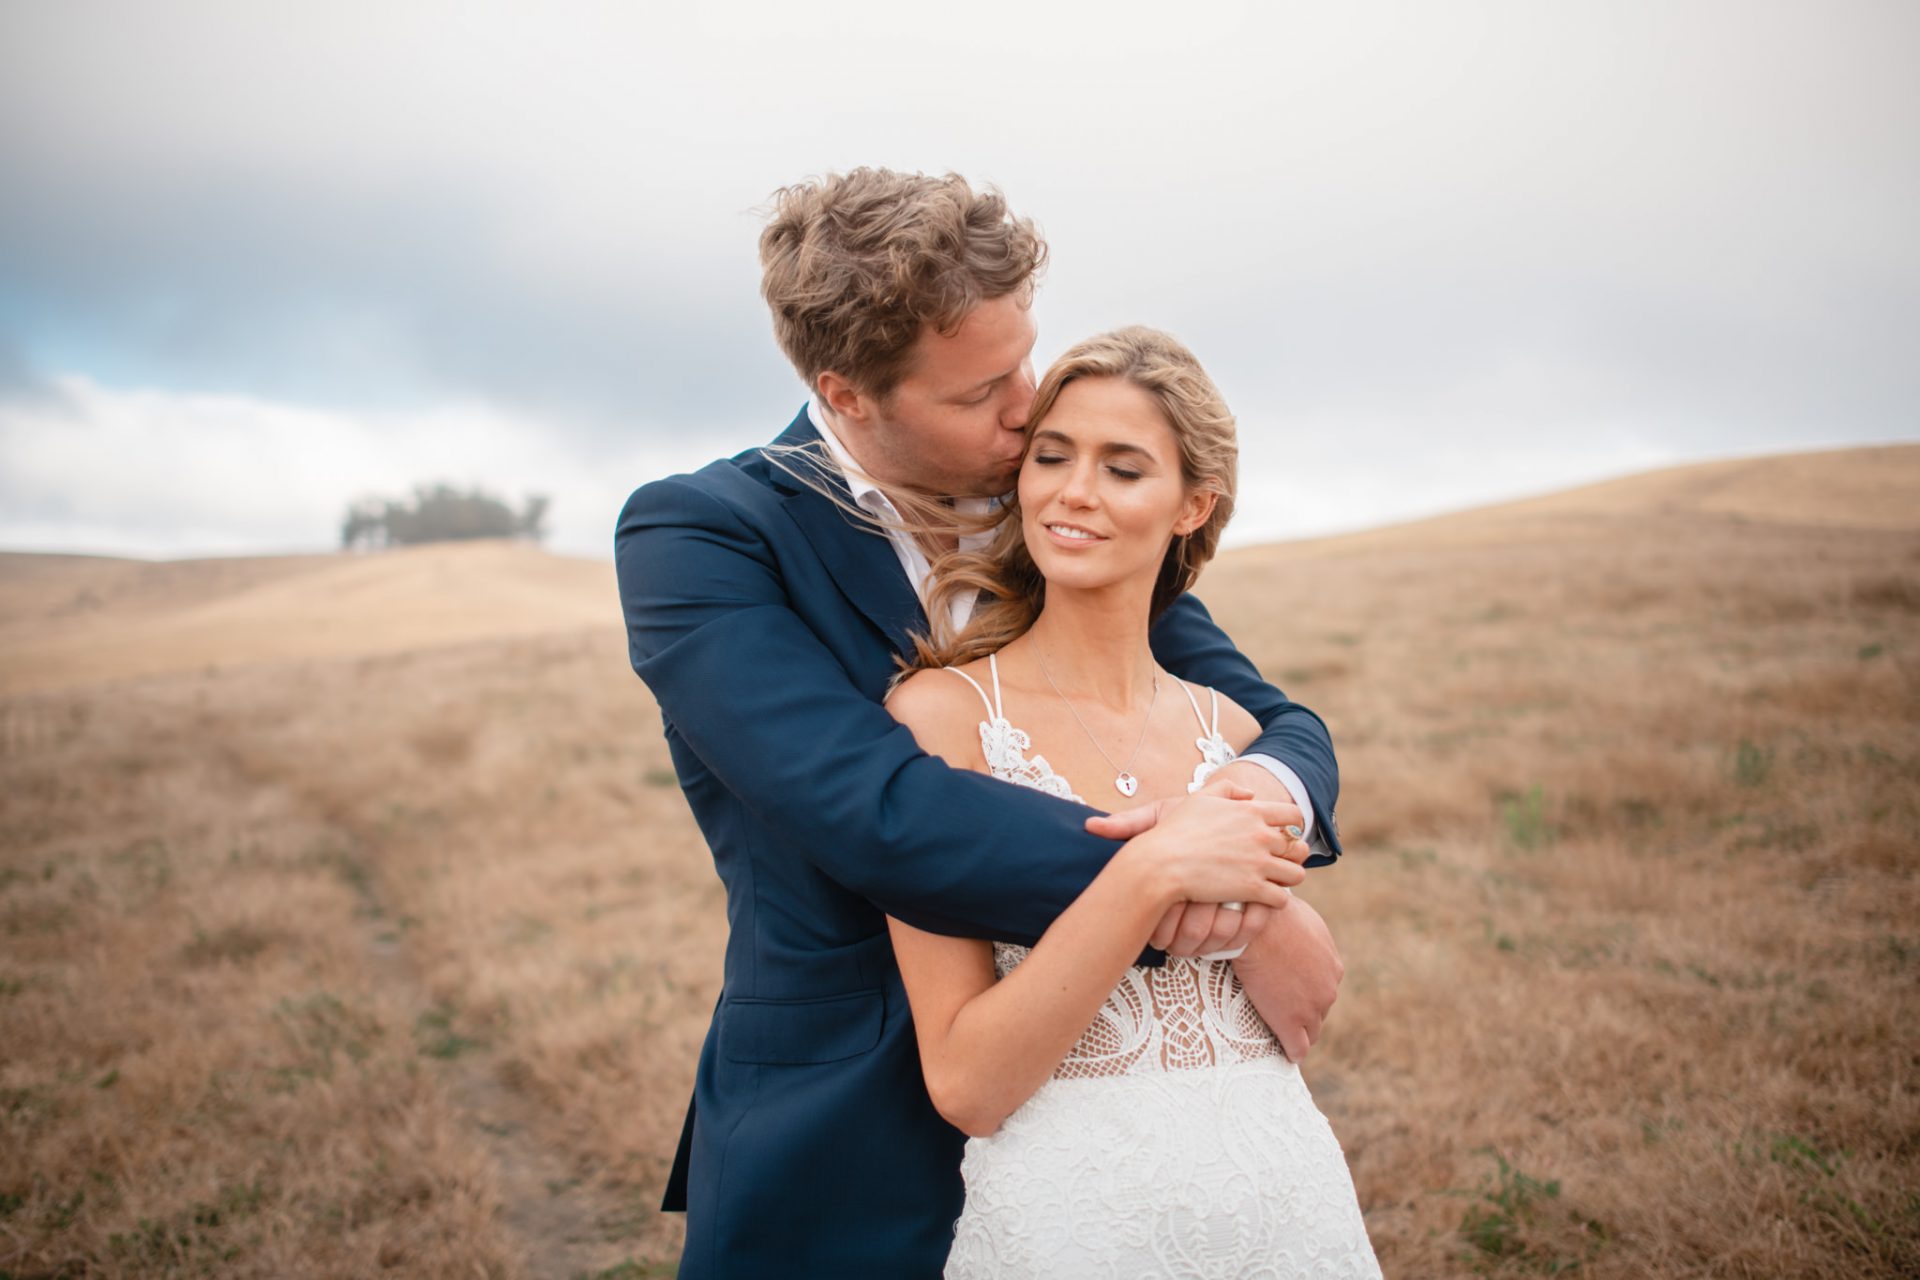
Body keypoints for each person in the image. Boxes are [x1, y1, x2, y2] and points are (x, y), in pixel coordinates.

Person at [614, 168, 1347, 1279]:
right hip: (843, 1119)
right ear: (849, 393)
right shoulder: (705, 537)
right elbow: (882, 816)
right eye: (981, 392)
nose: (1028, 408)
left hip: (1109, 1121)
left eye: (1025, 361)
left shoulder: (1050, 500)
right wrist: (1196, 882)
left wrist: (1256, 817)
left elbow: (1273, 726)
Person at [883, 326, 1381, 1277]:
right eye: (1051, 457)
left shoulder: (1232, 732)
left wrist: (1252, 899)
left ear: (1193, 504)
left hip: (1281, 1201)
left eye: (1122, 468)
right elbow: (968, 1086)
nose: (1075, 492)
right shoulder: (943, 717)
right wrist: (1153, 868)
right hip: (1070, 1223)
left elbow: (1306, 1006)